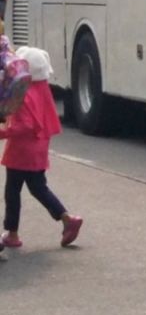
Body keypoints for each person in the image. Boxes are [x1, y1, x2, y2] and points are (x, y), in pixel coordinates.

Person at [1, 49, 84, 250]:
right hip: (39, 147)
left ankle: (12, 233)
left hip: (22, 151)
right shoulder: (42, 89)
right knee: (38, 187)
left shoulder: (23, 93)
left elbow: (25, 125)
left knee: (12, 191)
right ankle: (67, 219)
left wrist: (4, 132)